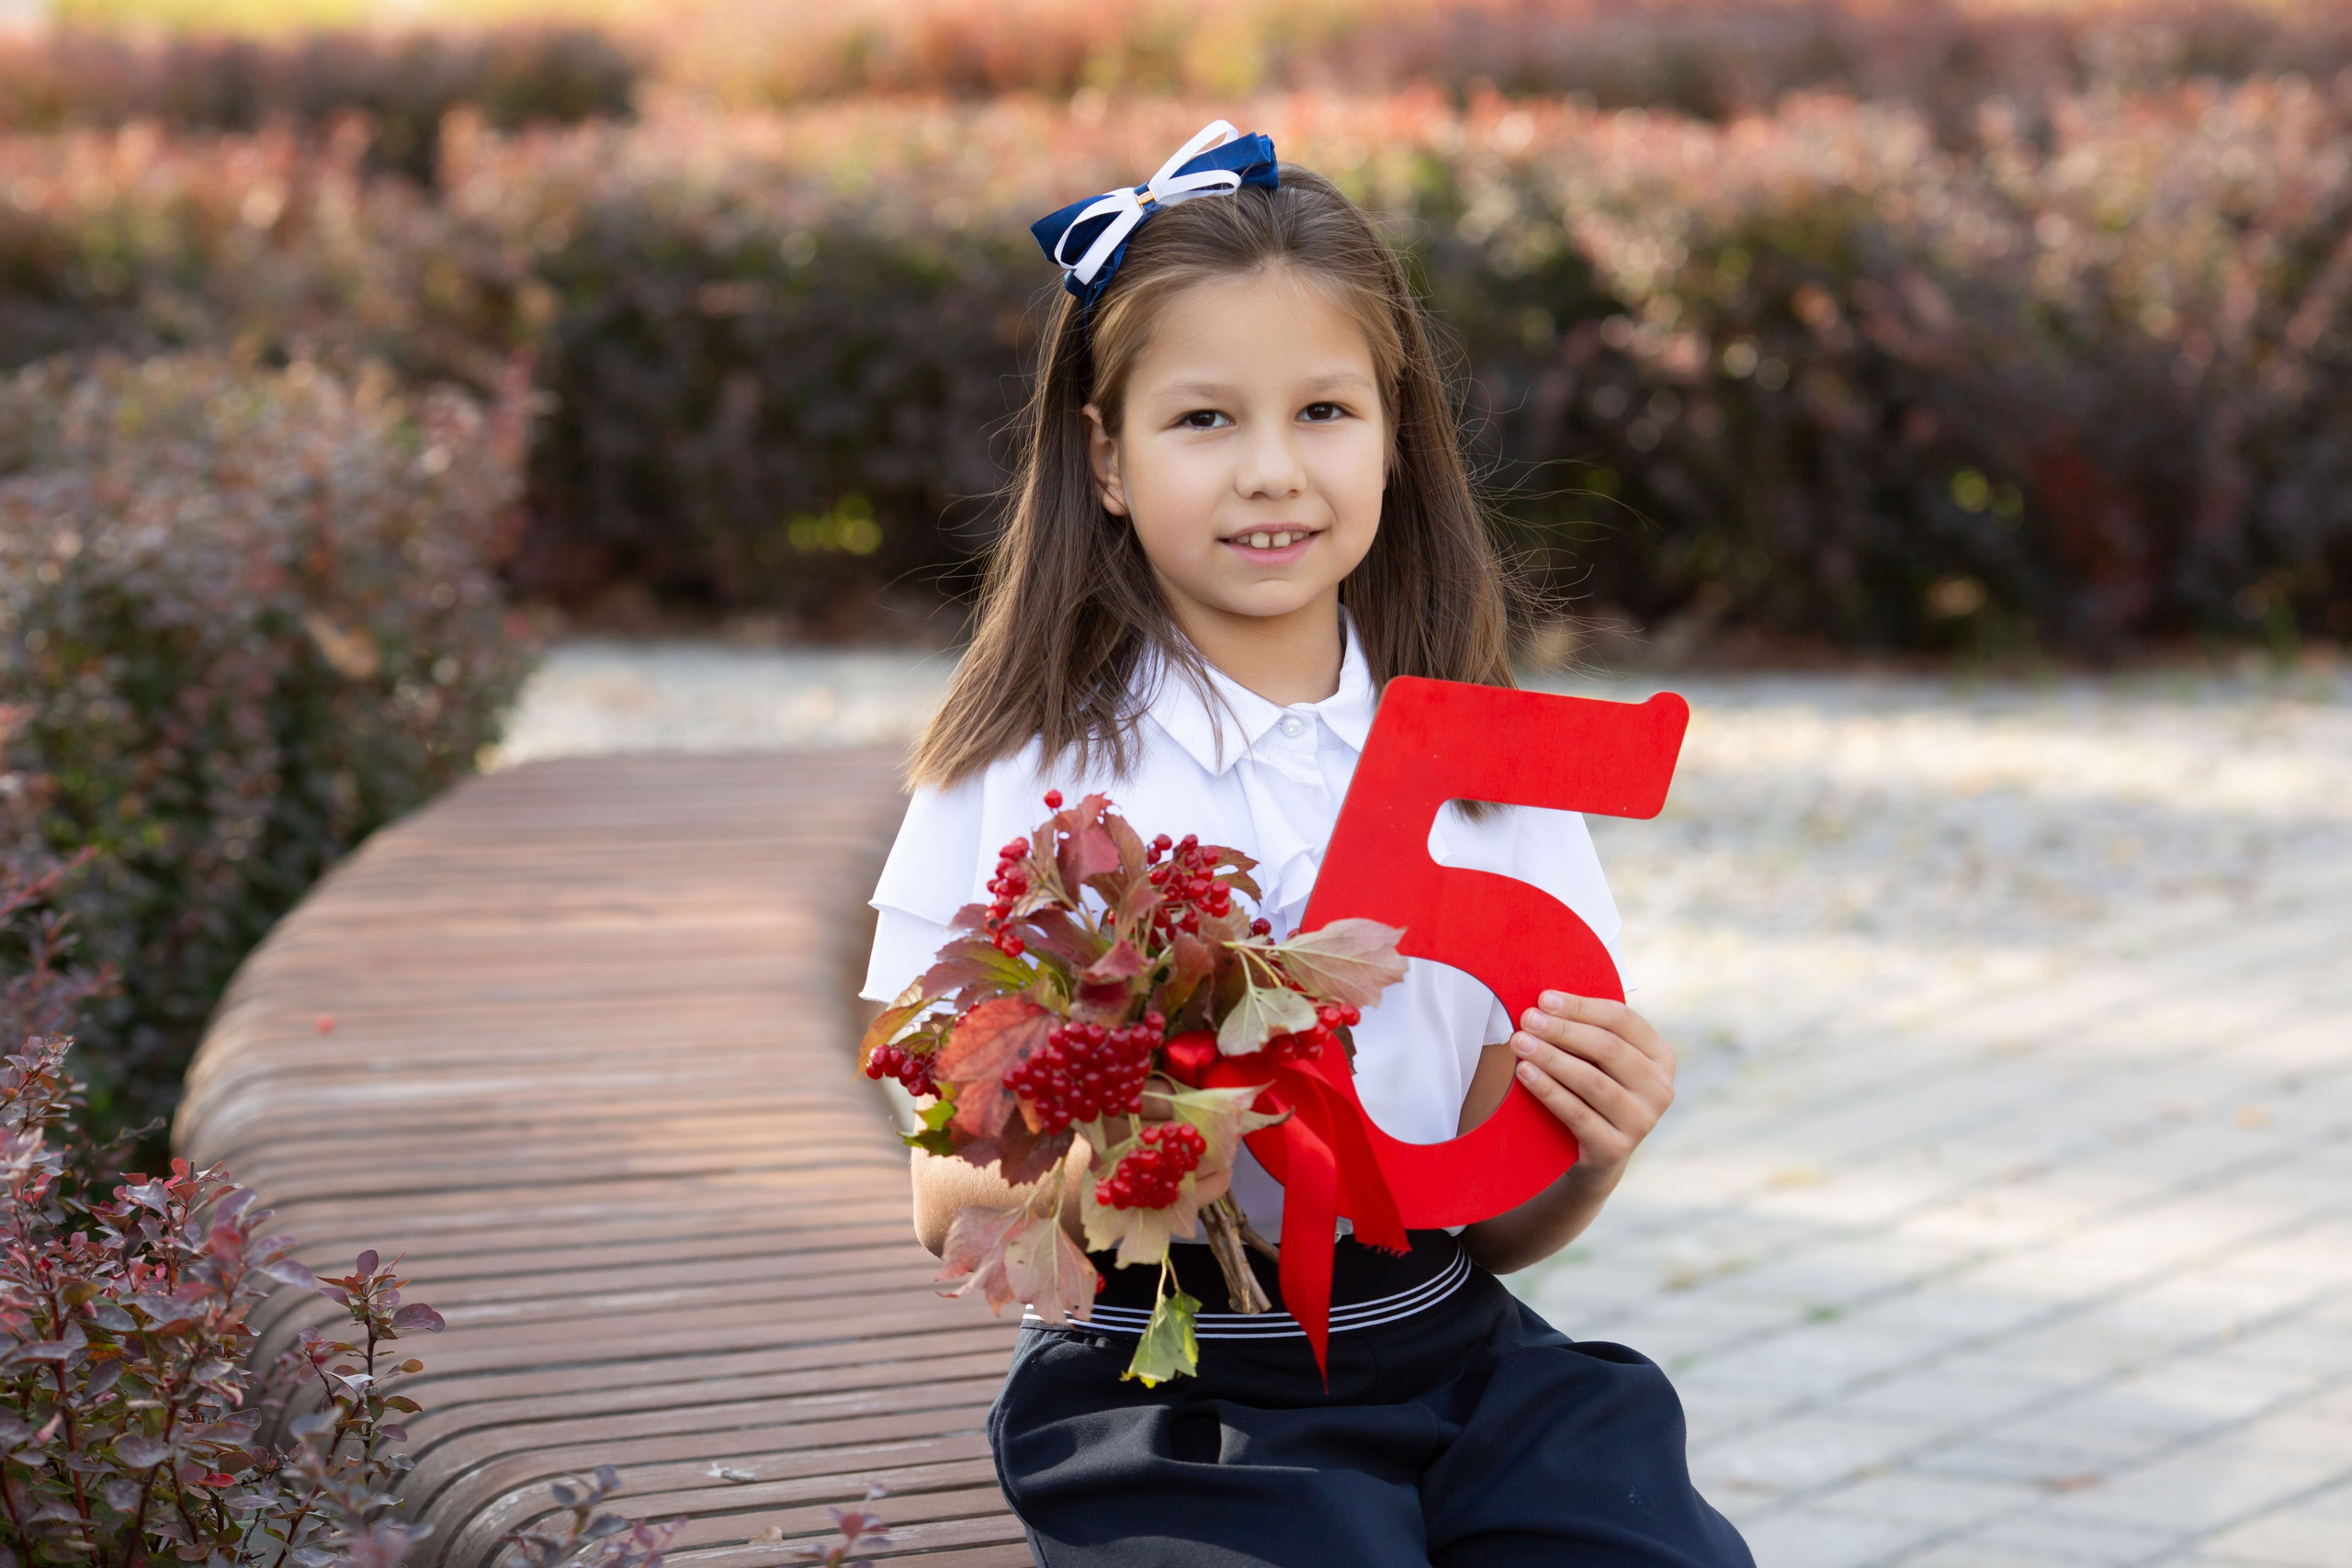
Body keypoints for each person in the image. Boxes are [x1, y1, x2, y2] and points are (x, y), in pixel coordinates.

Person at [857, 120, 1753, 1568]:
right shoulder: (1026, 777)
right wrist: (1135, 1150)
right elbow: (946, 1192)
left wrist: (1589, 1151)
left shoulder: (1487, 773)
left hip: (1450, 1346)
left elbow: (1487, 1220)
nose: (1272, 471)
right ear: (1105, 458)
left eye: (1324, 412)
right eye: (1205, 421)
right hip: (1169, 1380)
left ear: (1396, 436)